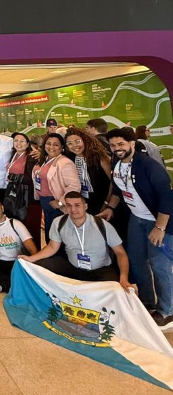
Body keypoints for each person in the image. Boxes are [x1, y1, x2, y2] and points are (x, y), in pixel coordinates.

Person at [98, 128, 173, 329]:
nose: (117, 148)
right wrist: (110, 208)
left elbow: (167, 197)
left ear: (132, 143)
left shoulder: (148, 165)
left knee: (159, 264)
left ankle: (167, 310)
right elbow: (118, 189)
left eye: (121, 144)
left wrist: (160, 227)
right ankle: (147, 302)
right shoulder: (117, 163)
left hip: (157, 221)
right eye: (113, 145)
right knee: (136, 260)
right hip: (136, 219)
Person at [20, 192, 130, 288]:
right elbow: (52, 247)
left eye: (77, 205)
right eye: (69, 205)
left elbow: (120, 253)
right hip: (73, 268)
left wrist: (124, 278)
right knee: (41, 264)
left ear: (85, 206)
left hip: (100, 271)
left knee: (115, 288)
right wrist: (31, 259)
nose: (73, 209)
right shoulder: (59, 222)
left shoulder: (102, 225)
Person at [0, 197, 38, 293]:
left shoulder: (16, 224)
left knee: (25, 273)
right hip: (0, 263)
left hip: (17, 262)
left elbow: (32, 248)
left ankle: (1, 286)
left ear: (2, 208)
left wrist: (34, 267)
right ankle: (16, 285)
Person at [32, 133, 80, 244]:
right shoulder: (44, 160)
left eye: (56, 144)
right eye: (48, 143)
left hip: (56, 203)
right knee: (49, 234)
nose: (51, 147)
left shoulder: (65, 162)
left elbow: (74, 186)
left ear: (62, 147)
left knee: (57, 238)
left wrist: (60, 202)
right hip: (44, 201)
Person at [5, 132, 42, 247]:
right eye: (16, 141)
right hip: (16, 194)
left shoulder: (32, 156)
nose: (18, 143)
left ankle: (33, 251)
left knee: (30, 225)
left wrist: (12, 177)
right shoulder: (14, 154)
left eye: (22, 141)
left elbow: (30, 178)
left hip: (28, 196)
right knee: (18, 224)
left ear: (27, 143)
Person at [64, 128, 112, 215]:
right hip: (82, 202)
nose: (74, 145)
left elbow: (113, 182)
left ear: (85, 140)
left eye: (77, 141)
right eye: (70, 143)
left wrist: (107, 203)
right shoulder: (69, 158)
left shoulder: (99, 157)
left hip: (102, 201)